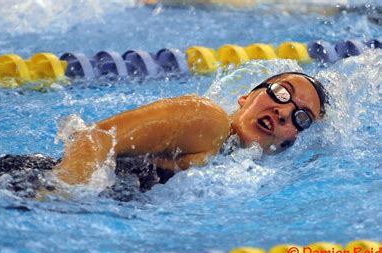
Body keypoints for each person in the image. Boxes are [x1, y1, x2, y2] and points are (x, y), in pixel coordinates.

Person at [53, 71, 327, 190]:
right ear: (246, 97)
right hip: (35, 188)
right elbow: (96, 138)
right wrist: (61, 197)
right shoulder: (209, 121)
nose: (283, 111)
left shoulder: (234, 163)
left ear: (292, 140)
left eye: (301, 117)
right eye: (280, 93)